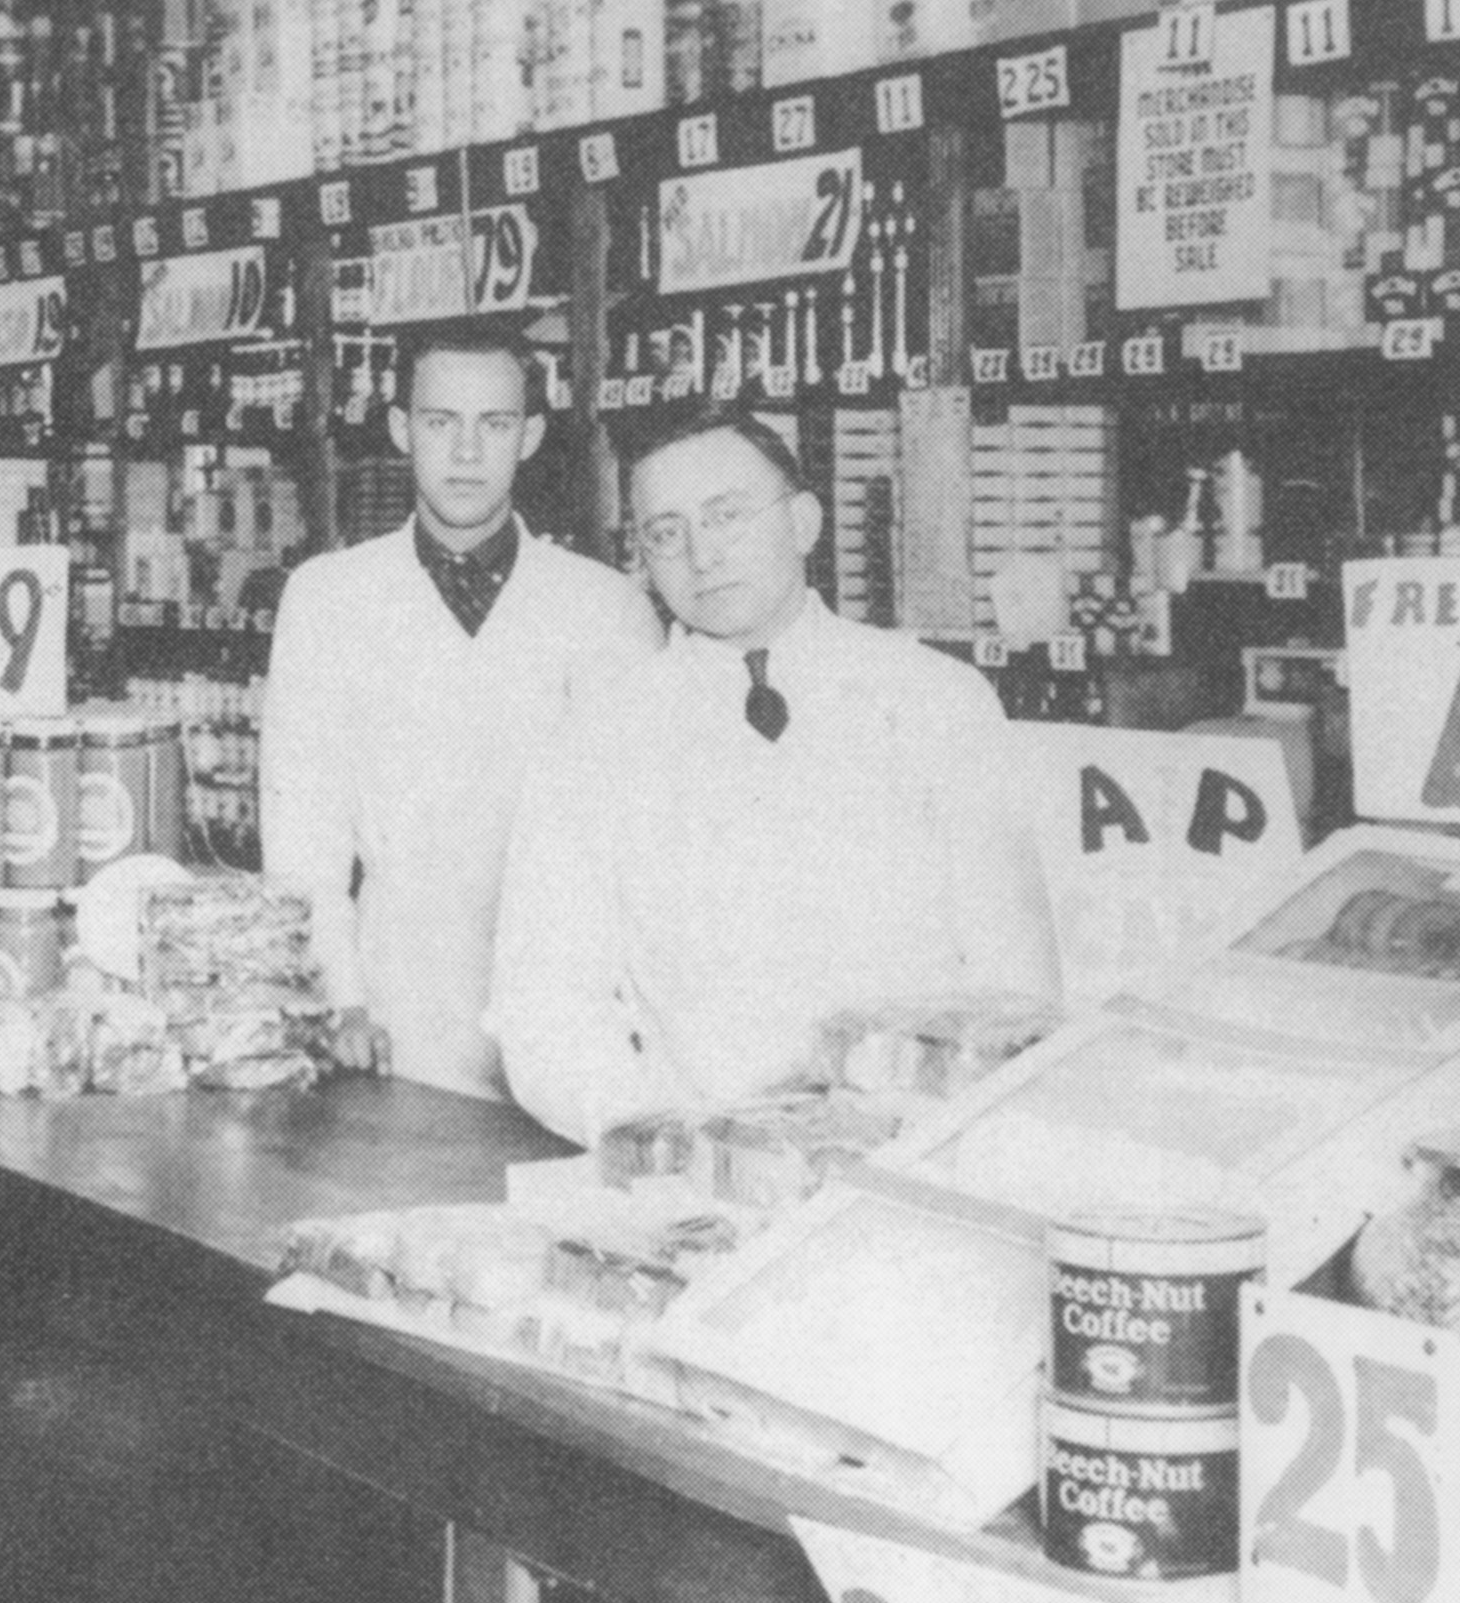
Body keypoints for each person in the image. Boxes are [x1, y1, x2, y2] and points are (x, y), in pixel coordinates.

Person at [486, 409, 1060, 1144]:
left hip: (927, 1161)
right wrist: (671, 1137)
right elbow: (544, 1009)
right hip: (706, 1176)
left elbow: (1019, 995)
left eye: (727, 516)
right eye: (666, 532)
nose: (701, 554)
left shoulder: (936, 699)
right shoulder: (594, 739)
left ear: (804, 522)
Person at [262, 323, 662, 1099]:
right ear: (401, 429)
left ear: (533, 435)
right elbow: (303, 829)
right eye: (442, 423)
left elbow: (640, 843)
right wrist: (336, 998)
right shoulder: (329, 597)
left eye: (496, 424)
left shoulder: (604, 606)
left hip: (569, 1025)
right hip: (390, 1020)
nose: (468, 452)